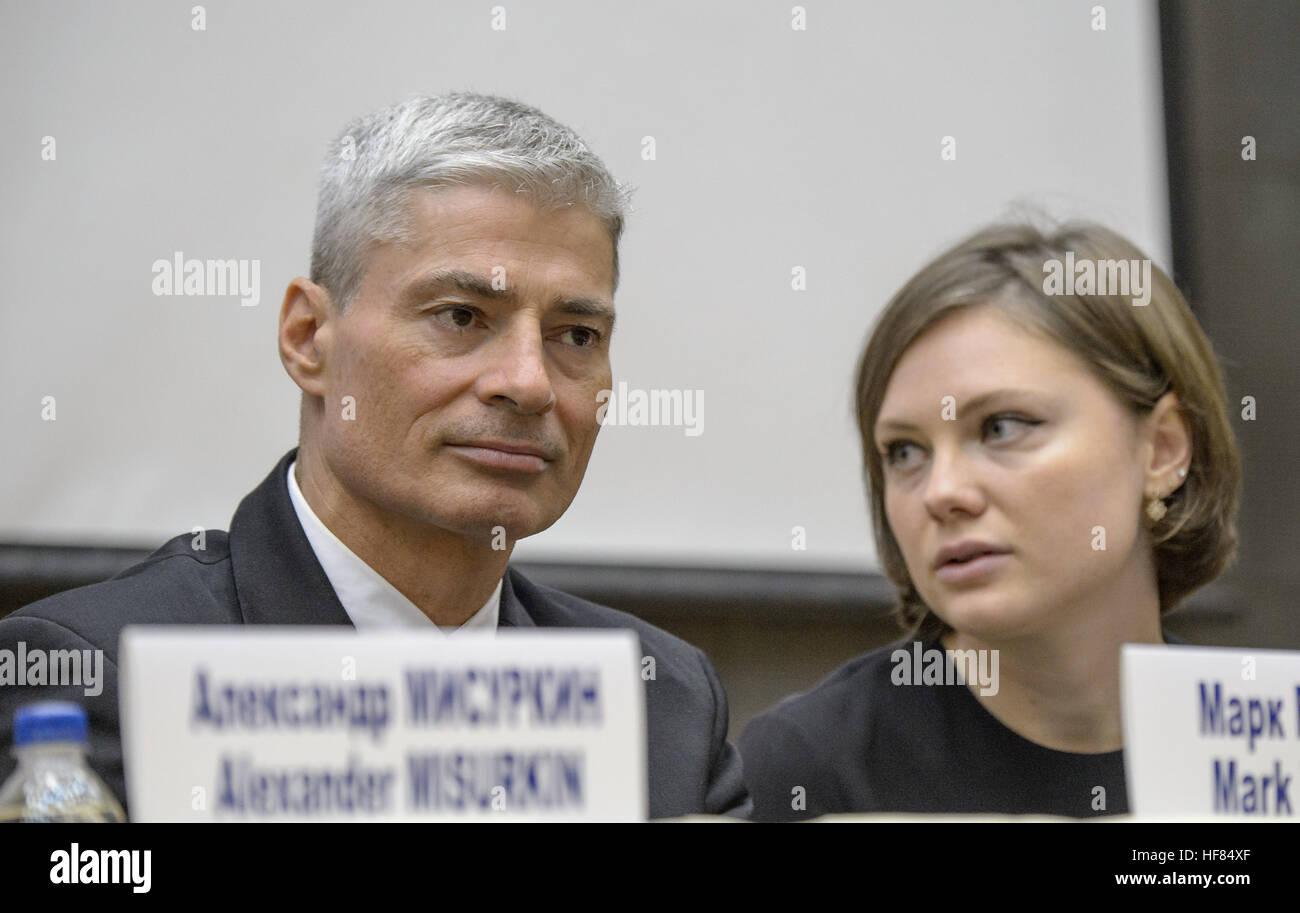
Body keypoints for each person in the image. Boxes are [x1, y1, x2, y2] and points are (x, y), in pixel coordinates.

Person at [0, 93, 748, 819]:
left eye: (576, 335)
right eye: (462, 316)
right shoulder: (97, 672)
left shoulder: (662, 701)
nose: (527, 382)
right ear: (308, 338)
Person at [740, 221, 1241, 820]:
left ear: (1161, 449)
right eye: (905, 452)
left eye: (1002, 427)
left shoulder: (1257, 740)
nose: (942, 492)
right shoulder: (814, 767)